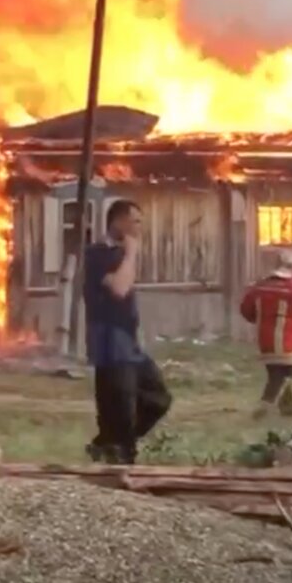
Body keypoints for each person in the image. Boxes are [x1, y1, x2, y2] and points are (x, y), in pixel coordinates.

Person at [83, 199, 172, 464]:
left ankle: (109, 444)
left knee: (158, 397)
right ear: (118, 221)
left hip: (128, 340)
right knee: (120, 404)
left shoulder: (120, 255)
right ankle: (120, 454)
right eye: (135, 221)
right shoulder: (97, 254)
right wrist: (132, 254)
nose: (138, 228)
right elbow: (119, 289)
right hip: (109, 341)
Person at [239, 249, 292, 420]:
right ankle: (264, 406)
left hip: (264, 339)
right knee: (283, 375)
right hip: (287, 339)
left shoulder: (260, 286)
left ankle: (288, 409)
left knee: (277, 373)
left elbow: (246, 310)